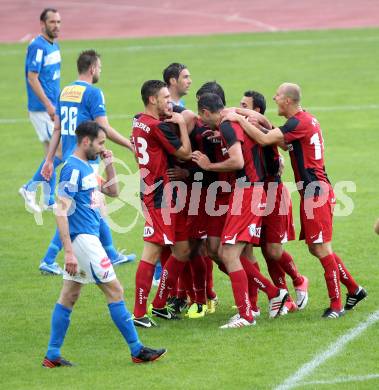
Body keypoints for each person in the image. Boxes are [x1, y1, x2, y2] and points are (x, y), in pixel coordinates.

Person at [226, 82, 367, 318]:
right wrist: (249, 115)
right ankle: (354, 289)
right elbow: (279, 139)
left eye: (278, 96)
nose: (274, 98)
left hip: (316, 193)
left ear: (288, 101)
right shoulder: (303, 120)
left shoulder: (297, 122)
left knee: (322, 248)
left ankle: (336, 305)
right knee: (315, 247)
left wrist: (239, 120)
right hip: (312, 191)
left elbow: (264, 140)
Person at [42, 121, 166, 367]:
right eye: (100, 143)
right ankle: (137, 350)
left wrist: (109, 163)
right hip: (83, 242)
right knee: (116, 290)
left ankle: (52, 355)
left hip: (87, 241)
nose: (102, 148)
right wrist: (68, 251)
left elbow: (113, 191)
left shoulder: (87, 167)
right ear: (86, 141)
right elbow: (60, 210)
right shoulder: (72, 170)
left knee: (69, 296)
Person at [192, 93, 288, 328]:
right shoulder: (232, 120)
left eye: (202, 117)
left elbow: (237, 162)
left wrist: (208, 165)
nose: (202, 123)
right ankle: (272, 295)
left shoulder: (227, 125)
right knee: (231, 253)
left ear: (206, 112)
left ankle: (247, 313)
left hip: (247, 193)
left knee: (228, 254)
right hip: (247, 192)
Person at [37, 50, 135, 275]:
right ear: (92, 68)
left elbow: (58, 129)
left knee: (95, 208)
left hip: (71, 157)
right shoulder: (94, 93)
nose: (100, 71)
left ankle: (111, 254)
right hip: (85, 160)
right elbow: (105, 129)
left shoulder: (65, 91)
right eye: (99, 67)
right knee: (77, 209)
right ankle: (50, 258)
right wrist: (129, 145)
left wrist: (50, 159)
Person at [239, 90, 308, 313]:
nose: (239, 107)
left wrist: (261, 123)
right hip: (253, 195)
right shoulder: (246, 129)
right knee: (257, 249)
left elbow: (280, 143)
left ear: (256, 110)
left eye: (244, 105)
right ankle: (278, 298)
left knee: (273, 250)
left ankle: (298, 280)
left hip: (273, 194)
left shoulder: (265, 130)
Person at [132, 80, 192, 328]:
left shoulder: (138, 121)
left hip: (162, 193)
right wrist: (181, 126)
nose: (171, 102)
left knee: (182, 250)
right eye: (166, 97)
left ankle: (158, 304)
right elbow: (186, 154)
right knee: (151, 253)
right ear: (152, 99)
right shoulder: (159, 127)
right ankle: (138, 313)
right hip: (158, 197)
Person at [19, 8, 62, 213]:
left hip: (52, 106)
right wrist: (48, 105)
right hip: (42, 109)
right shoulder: (37, 46)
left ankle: (48, 200)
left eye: (58, 22)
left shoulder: (54, 45)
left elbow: (52, 79)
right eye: (52, 22)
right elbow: (32, 77)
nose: (56, 26)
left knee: (50, 154)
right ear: (42, 24)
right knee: (60, 151)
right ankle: (29, 188)